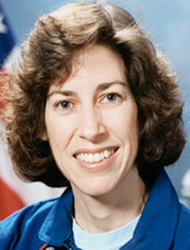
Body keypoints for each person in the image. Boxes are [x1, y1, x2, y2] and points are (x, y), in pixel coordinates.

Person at [0, 1, 190, 249]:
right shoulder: (12, 240)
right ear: (41, 124)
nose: (91, 130)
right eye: (65, 104)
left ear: (143, 109)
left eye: (110, 97)